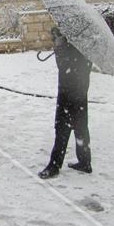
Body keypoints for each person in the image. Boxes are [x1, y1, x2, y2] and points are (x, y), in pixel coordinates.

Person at [39, 27, 93, 179]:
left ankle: (54, 166)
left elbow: (64, 67)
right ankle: (85, 162)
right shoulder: (86, 45)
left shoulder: (71, 48)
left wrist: (59, 46)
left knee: (62, 128)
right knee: (81, 127)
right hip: (80, 93)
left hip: (68, 93)